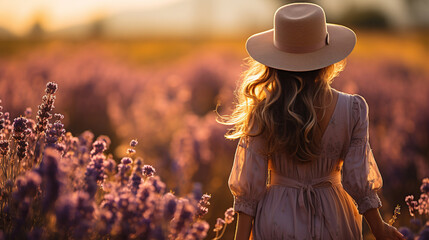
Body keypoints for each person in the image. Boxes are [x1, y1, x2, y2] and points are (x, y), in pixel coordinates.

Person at [223, 3, 405, 240]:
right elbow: (358, 179)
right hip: (335, 216)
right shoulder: (353, 109)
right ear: (329, 58)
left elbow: (249, 187)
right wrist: (379, 228)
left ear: (276, 60)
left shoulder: (263, 110)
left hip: (277, 217)